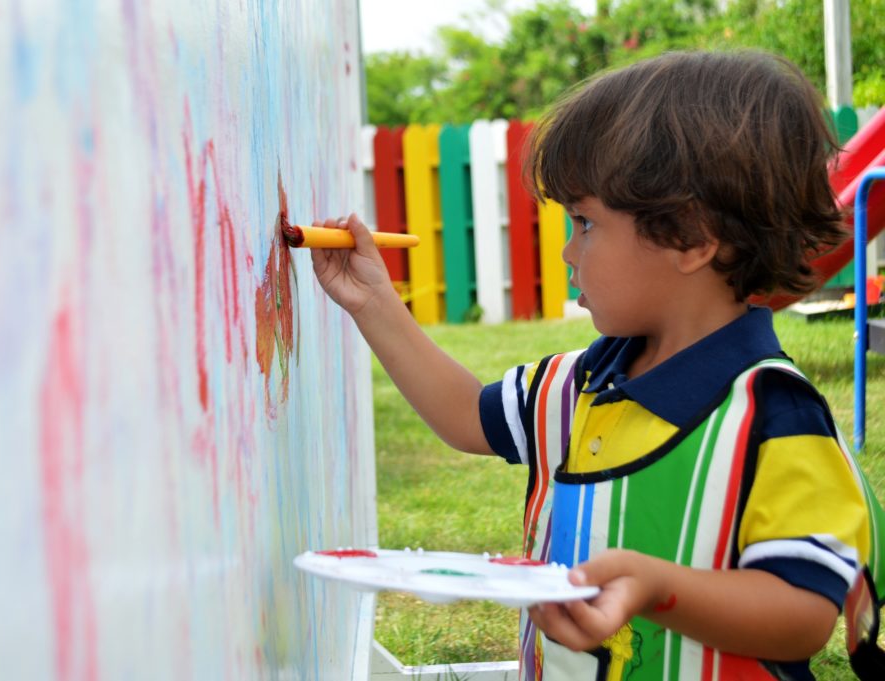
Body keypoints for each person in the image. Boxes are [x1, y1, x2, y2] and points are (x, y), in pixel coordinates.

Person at [310, 51, 880, 680]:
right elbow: (467, 416)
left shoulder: (773, 414)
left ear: (690, 238)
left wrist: (659, 588)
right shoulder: (576, 385)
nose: (565, 250)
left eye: (585, 223)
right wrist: (373, 302)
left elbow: (803, 614)